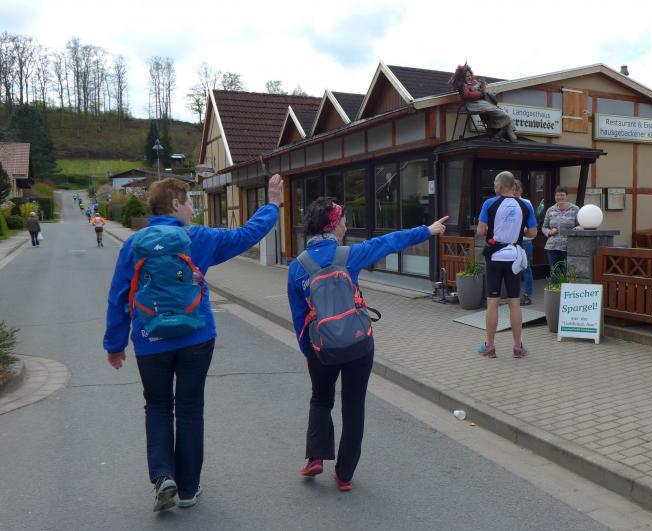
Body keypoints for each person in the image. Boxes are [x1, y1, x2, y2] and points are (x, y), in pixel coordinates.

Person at [103, 174, 284, 512]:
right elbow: (246, 235)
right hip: (196, 338)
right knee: (189, 409)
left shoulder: (134, 244)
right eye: (189, 202)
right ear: (175, 204)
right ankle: (187, 489)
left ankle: (162, 476)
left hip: (150, 341)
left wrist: (115, 345)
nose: (191, 209)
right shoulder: (197, 237)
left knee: (158, 406)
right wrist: (272, 205)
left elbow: (119, 297)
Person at [288, 197, 447, 492]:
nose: (346, 226)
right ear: (332, 225)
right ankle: (345, 475)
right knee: (354, 407)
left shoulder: (298, 266)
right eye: (343, 221)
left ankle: (316, 457)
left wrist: (308, 351)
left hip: (321, 347)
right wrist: (427, 230)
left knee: (320, 399)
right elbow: (389, 242)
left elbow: (299, 318)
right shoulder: (350, 255)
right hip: (358, 344)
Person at [476, 171, 537, 359]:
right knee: (515, 302)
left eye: (495, 183)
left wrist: (493, 230)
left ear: (500, 186)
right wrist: (519, 231)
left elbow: (481, 231)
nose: (494, 186)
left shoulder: (489, 203)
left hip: (494, 257)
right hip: (514, 257)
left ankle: (490, 346)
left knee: (492, 302)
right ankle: (518, 347)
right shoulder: (525, 205)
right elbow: (533, 233)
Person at [449, 63, 517, 142]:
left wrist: (482, 86)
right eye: (467, 76)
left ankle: (497, 134)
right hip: (473, 105)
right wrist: (481, 93)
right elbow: (467, 95)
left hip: (480, 103)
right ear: (462, 77)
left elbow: (480, 92)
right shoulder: (464, 86)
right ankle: (498, 135)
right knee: (503, 115)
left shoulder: (473, 84)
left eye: (470, 75)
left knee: (500, 114)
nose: (469, 77)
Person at [541, 186, 580, 277]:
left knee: (566, 271)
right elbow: (544, 227)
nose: (559, 197)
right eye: (557, 195)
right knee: (554, 272)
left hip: (568, 246)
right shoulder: (550, 210)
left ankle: (565, 287)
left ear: (567, 196)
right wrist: (549, 232)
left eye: (562, 195)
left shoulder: (575, 209)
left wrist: (577, 229)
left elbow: (581, 225)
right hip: (552, 246)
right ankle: (554, 286)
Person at [513, 179, 534, 305]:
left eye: (517, 189)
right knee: (512, 269)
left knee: (526, 268)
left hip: (525, 241)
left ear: (521, 190)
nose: (515, 192)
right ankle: (514, 295)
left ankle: (527, 295)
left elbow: (531, 223)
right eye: (513, 189)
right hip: (511, 242)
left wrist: (525, 229)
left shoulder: (526, 203)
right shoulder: (506, 203)